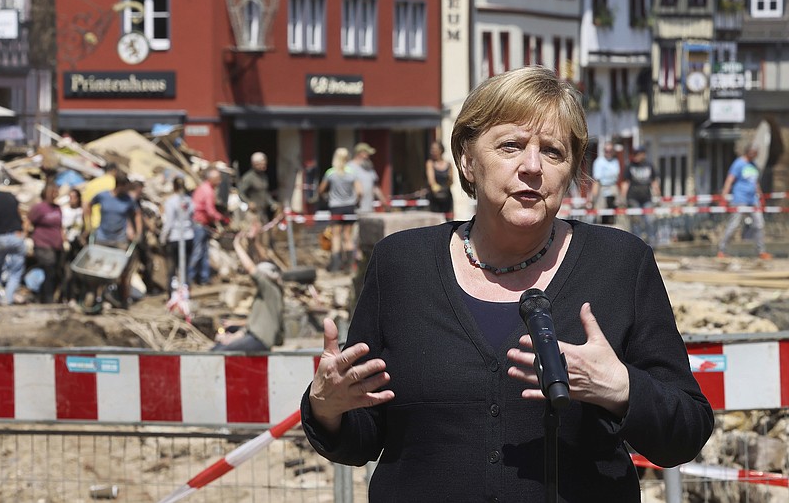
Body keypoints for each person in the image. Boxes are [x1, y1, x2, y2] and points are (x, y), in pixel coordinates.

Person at [301, 66, 713, 501]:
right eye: (510, 146)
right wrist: (327, 407)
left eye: (553, 152)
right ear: (467, 159)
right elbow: (365, 435)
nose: (532, 167)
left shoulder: (621, 264)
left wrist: (622, 389)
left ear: (571, 169)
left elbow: (685, 433)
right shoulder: (401, 265)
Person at [211, 229, 284, 352]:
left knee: (219, 352)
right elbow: (254, 322)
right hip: (254, 335)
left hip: (260, 338)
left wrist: (237, 245)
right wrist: (252, 242)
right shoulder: (267, 294)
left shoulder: (271, 289)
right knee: (218, 347)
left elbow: (251, 268)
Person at [85, 173, 142, 309]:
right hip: (102, 237)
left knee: (122, 271)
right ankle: (95, 295)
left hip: (119, 239)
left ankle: (122, 300)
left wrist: (137, 232)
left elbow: (137, 214)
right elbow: (88, 205)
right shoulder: (103, 196)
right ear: (120, 186)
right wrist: (88, 225)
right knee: (96, 270)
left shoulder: (128, 200)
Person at [717, 145, 771, 259]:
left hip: (753, 199)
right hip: (740, 198)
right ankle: (722, 250)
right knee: (734, 224)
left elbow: (755, 182)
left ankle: (761, 251)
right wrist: (724, 196)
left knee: (759, 224)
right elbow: (730, 179)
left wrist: (760, 196)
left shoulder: (753, 165)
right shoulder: (738, 163)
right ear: (749, 152)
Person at [318, 147, 362, 272]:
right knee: (348, 237)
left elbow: (321, 190)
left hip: (335, 207)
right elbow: (360, 191)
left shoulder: (331, 173)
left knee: (336, 236)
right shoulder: (352, 172)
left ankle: (336, 266)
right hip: (349, 207)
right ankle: (349, 266)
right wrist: (356, 201)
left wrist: (325, 198)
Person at [237, 152, 284, 262]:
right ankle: (251, 260)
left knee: (265, 238)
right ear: (254, 164)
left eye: (264, 163)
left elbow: (265, 194)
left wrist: (272, 203)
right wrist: (248, 202)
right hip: (253, 214)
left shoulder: (264, 177)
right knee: (254, 239)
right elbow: (240, 193)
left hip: (263, 212)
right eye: (260, 163)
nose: (263, 165)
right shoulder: (248, 178)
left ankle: (263, 259)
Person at [0, 173, 26, 304]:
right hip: (17, 236)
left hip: (1, 238)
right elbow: (19, 214)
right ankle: (7, 301)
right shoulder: (9, 196)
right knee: (15, 273)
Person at [189, 167, 228, 286]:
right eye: (217, 179)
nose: (219, 182)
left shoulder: (203, 188)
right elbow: (210, 211)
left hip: (202, 225)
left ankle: (204, 278)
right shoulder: (208, 191)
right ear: (211, 179)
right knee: (197, 252)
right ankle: (189, 279)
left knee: (205, 252)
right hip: (199, 225)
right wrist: (221, 218)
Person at [27, 182, 65, 303]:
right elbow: (28, 222)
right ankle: (47, 298)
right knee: (49, 270)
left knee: (54, 272)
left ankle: (45, 296)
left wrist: (63, 239)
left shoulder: (57, 208)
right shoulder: (39, 208)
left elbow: (60, 226)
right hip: (42, 244)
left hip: (56, 246)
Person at [159, 176, 195, 294]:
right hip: (188, 236)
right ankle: (185, 292)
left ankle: (172, 294)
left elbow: (169, 222)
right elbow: (192, 217)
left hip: (175, 237)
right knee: (184, 267)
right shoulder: (189, 200)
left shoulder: (171, 201)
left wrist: (163, 238)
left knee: (171, 268)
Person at [620, 145, 661, 244]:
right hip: (633, 198)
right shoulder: (630, 166)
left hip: (646, 198)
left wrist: (659, 195)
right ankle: (637, 244)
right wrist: (622, 198)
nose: (635, 156)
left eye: (637, 154)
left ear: (643, 154)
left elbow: (654, 181)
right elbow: (625, 183)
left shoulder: (649, 165)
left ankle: (652, 244)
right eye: (634, 154)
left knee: (650, 220)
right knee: (636, 222)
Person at [348, 142, 389, 214]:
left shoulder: (369, 167)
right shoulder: (349, 167)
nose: (369, 155)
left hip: (369, 208)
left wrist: (383, 201)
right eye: (367, 153)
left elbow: (375, 187)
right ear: (360, 153)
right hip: (354, 210)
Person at [60, 188, 85, 303]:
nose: (72, 200)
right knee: (66, 272)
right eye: (70, 197)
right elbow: (61, 227)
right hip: (67, 245)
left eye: (74, 197)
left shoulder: (82, 211)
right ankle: (65, 296)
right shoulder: (65, 210)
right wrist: (64, 239)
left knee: (78, 273)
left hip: (78, 245)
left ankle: (76, 297)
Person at [588, 141, 620, 225]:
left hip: (613, 188)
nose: (608, 153)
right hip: (602, 188)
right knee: (602, 212)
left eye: (610, 151)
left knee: (615, 212)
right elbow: (596, 181)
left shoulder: (615, 161)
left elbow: (617, 177)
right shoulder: (599, 162)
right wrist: (593, 197)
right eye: (606, 151)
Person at [82, 162, 118, 233]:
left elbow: (85, 206)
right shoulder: (115, 184)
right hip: (108, 226)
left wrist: (87, 226)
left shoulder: (91, 184)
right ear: (114, 171)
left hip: (91, 225)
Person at [425, 139, 454, 215]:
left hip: (447, 196)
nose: (432, 151)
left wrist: (449, 179)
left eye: (435, 149)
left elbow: (451, 182)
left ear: (441, 150)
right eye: (432, 149)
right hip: (435, 197)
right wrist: (436, 188)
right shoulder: (430, 163)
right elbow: (431, 181)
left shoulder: (448, 164)